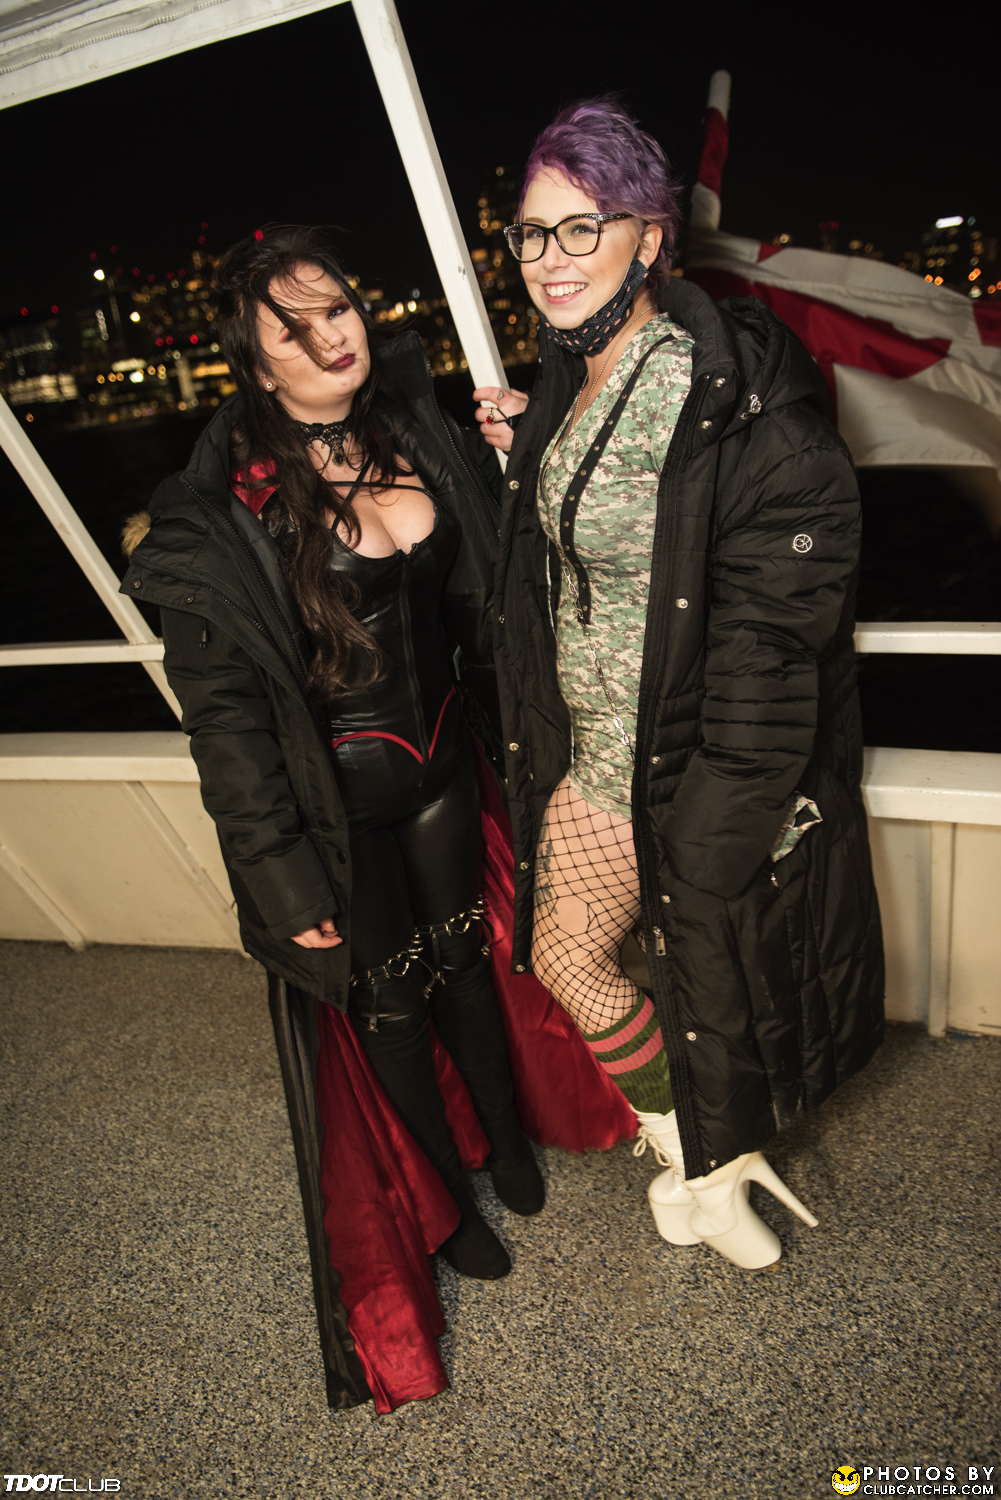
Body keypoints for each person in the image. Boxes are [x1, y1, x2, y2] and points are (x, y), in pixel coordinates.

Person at [121, 225, 545, 1405]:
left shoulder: (415, 429)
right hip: (336, 807)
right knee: (392, 1004)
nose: (332, 338)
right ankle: (449, 1203)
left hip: (445, 759)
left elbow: (492, 579)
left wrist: (516, 452)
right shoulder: (221, 514)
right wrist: (281, 882)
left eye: (338, 309)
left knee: (467, 960)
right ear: (255, 365)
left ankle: (507, 1142)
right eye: (294, 330)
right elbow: (225, 724)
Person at [474, 100, 884, 1270]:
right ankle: (700, 1163)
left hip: (678, 759)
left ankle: (706, 1163)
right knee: (566, 958)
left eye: (581, 228)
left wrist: (708, 830)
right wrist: (530, 449)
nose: (549, 259)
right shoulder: (574, 378)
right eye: (531, 233)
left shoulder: (719, 398)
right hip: (593, 743)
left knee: (653, 975)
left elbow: (768, 637)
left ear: (648, 237)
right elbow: (600, 542)